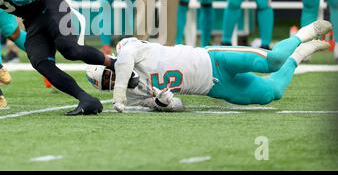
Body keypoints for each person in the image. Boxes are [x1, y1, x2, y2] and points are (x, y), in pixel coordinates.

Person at [86, 20, 332, 112]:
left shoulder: (126, 50)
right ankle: (299, 54)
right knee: (271, 93)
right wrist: (165, 103)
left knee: (272, 61)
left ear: (110, 67)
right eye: (107, 85)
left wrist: (118, 89)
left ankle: (305, 32)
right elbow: (179, 106)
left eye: (108, 76)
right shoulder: (133, 97)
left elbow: (126, 56)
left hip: (213, 58)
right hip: (213, 86)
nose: (112, 82)